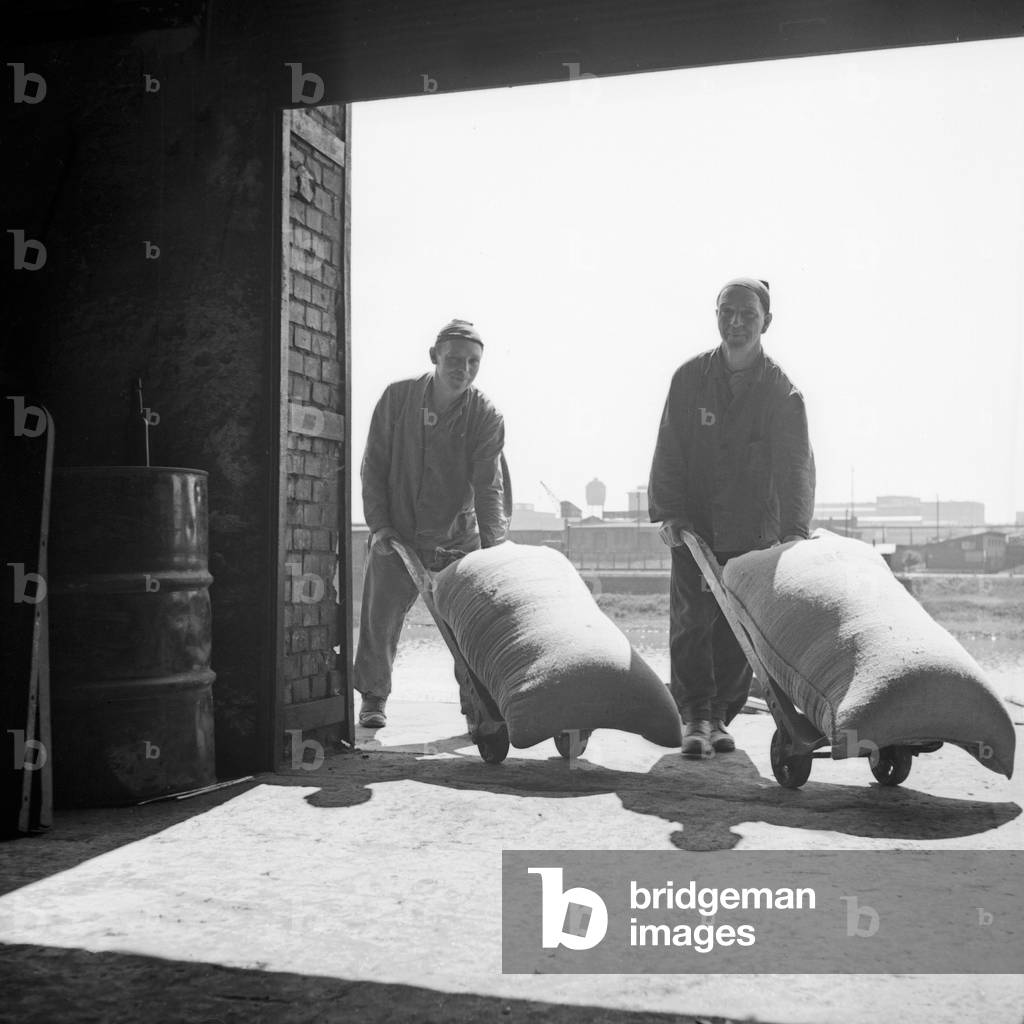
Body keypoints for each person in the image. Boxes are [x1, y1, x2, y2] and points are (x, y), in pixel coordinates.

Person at [649, 278, 815, 758]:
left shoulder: (782, 393)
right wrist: (670, 513)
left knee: (736, 627)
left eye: (747, 313)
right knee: (691, 621)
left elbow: (795, 467)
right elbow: (669, 449)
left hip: (752, 534)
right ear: (716, 314)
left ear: (767, 320)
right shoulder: (689, 379)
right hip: (695, 530)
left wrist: (793, 534)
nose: (736, 322)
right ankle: (695, 716)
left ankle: (720, 717)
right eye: (727, 311)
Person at [354, 319, 510, 728]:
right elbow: (374, 467)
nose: (464, 369)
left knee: (468, 631)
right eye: (455, 360)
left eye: (474, 362)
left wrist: (494, 550)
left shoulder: (486, 415)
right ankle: (373, 698)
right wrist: (380, 527)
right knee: (380, 619)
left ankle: (478, 706)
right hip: (397, 537)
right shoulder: (397, 399)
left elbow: (488, 487)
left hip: (456, 540)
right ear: (434, 358)